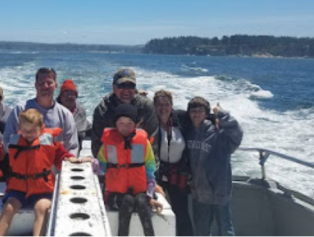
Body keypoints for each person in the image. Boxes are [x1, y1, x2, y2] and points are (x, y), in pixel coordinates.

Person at [0, 109, 88, 236]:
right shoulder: (15, 143)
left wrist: (76, 160)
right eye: (25, 131)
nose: (28, 134)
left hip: (42, 190)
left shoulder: (48, 143)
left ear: (41, 128)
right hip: (18, 190)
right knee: (9, 208)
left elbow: (62, 156)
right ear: (20, 128)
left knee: (41, 208)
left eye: (33, 131)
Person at [96, 104, 162, 236]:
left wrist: (150, 195)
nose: (124, 127)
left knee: (141, 201)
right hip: (115, 194)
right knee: (127, 200)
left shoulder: (144, 143)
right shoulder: (108, 144)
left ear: (135, 124)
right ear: (115, 124)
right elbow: (101, 168)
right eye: (121, 123)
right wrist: (89, 162)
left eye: (129, 123)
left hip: (140, 191)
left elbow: (149, 171)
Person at [184, 97, 243, 236]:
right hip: (199, 193)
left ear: (206, 113)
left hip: (219, 191)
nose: (196, 114)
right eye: (193, 111)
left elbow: (237, 134)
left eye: (200, 111)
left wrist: (222, 115)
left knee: (225, 230)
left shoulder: (219, 132)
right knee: (201, 231)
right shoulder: (187, 132)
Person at [3, 68, 79, 156]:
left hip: (56, 168)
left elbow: (72, 147)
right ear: (35, 85)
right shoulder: (19, 110)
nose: (45, 86)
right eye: (41, 83)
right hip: (24, 167)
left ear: (55, 85)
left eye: (49, 83)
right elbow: (7, 139)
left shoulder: (66, 115)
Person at [152, 90, 193, 236]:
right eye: (159, 104)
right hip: (158, 174)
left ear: (172, 105)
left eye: (166, 104)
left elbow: (199, 115)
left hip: (178, 174)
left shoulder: (181, 119)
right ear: (154, 106)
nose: (163, 108)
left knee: (181, 212)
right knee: (158, 209)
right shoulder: (150, 122)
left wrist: (217, 116)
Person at [92, 67, 159, 157]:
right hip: (112, 165)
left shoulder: (146, 107)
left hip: (139, 164)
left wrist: (151, 169)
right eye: (122, 86)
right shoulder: (103, 110)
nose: (126, 90)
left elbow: (153, 143)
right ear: (113, 87)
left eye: (130, 86)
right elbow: (97, 146)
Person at [56, 79, 92, 151]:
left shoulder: (81, 111)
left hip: (75, 150)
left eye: (72, 94)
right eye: (66, 94)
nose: (69, 96)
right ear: (60, 97)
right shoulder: (53, 110)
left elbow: (84, 129)